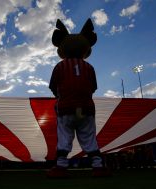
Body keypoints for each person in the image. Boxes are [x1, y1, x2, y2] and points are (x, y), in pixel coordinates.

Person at [47, 18, 110, 178]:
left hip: (66, 108)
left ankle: (61, 167)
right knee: (89, 137)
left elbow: (53, 87)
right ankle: (98, 166)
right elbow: (93, 88)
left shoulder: (60, 66)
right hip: (86, 108)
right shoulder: (89, 67)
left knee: (64, 137)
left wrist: (62, 96)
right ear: (86, 48)